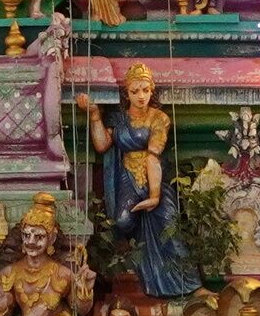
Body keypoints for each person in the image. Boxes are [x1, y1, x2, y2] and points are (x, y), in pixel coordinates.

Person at [79, 62, 199, 296]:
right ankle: (143, 259)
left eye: (145, 90)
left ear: (152, 90)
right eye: (135, 91)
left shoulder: (159, 118)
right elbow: (103, 144)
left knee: (169, 225)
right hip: (128, 178)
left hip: (154, 177)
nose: (141, 96)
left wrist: (155, 195)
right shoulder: (119, 119)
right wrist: (94, 116)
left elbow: (153, 157)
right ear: (127, 94)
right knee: (123, 221)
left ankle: (191, 284)